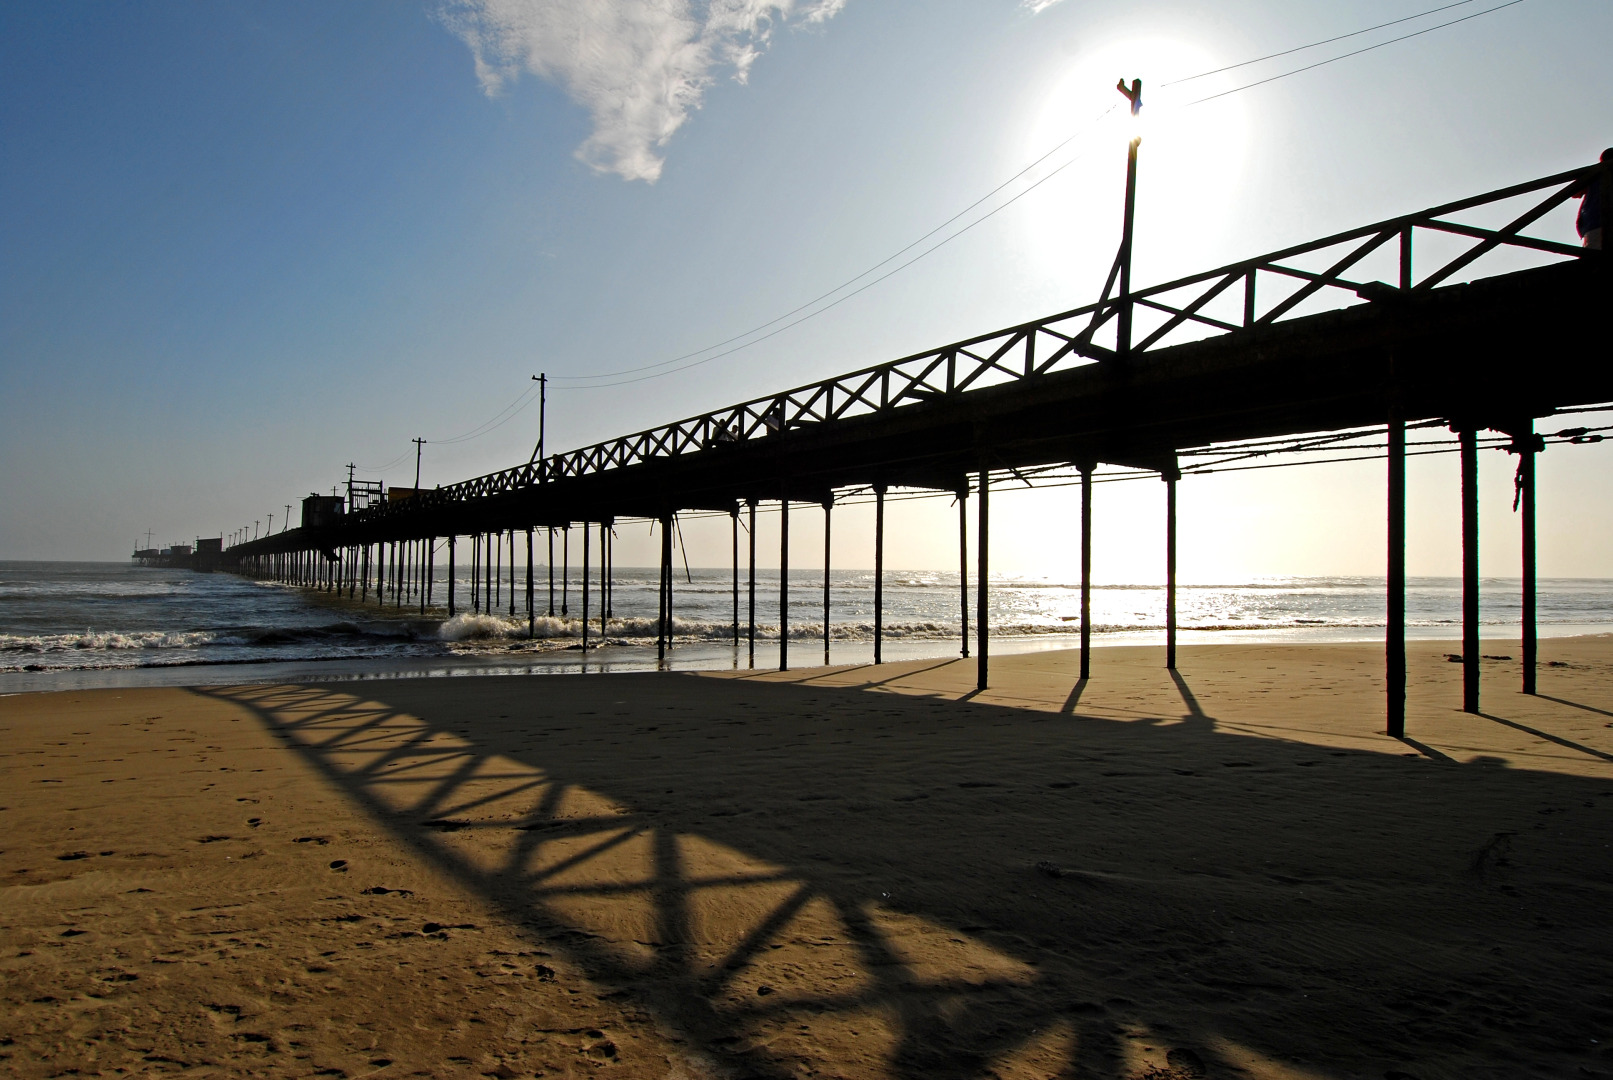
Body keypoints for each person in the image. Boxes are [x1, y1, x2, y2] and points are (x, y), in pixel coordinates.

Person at [1576, 148, 1611, 251]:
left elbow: (1575, 193)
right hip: (1595, 223)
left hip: (1594, 223)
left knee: (1592, 261)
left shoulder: (1594, 173)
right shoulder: (1597, 173)